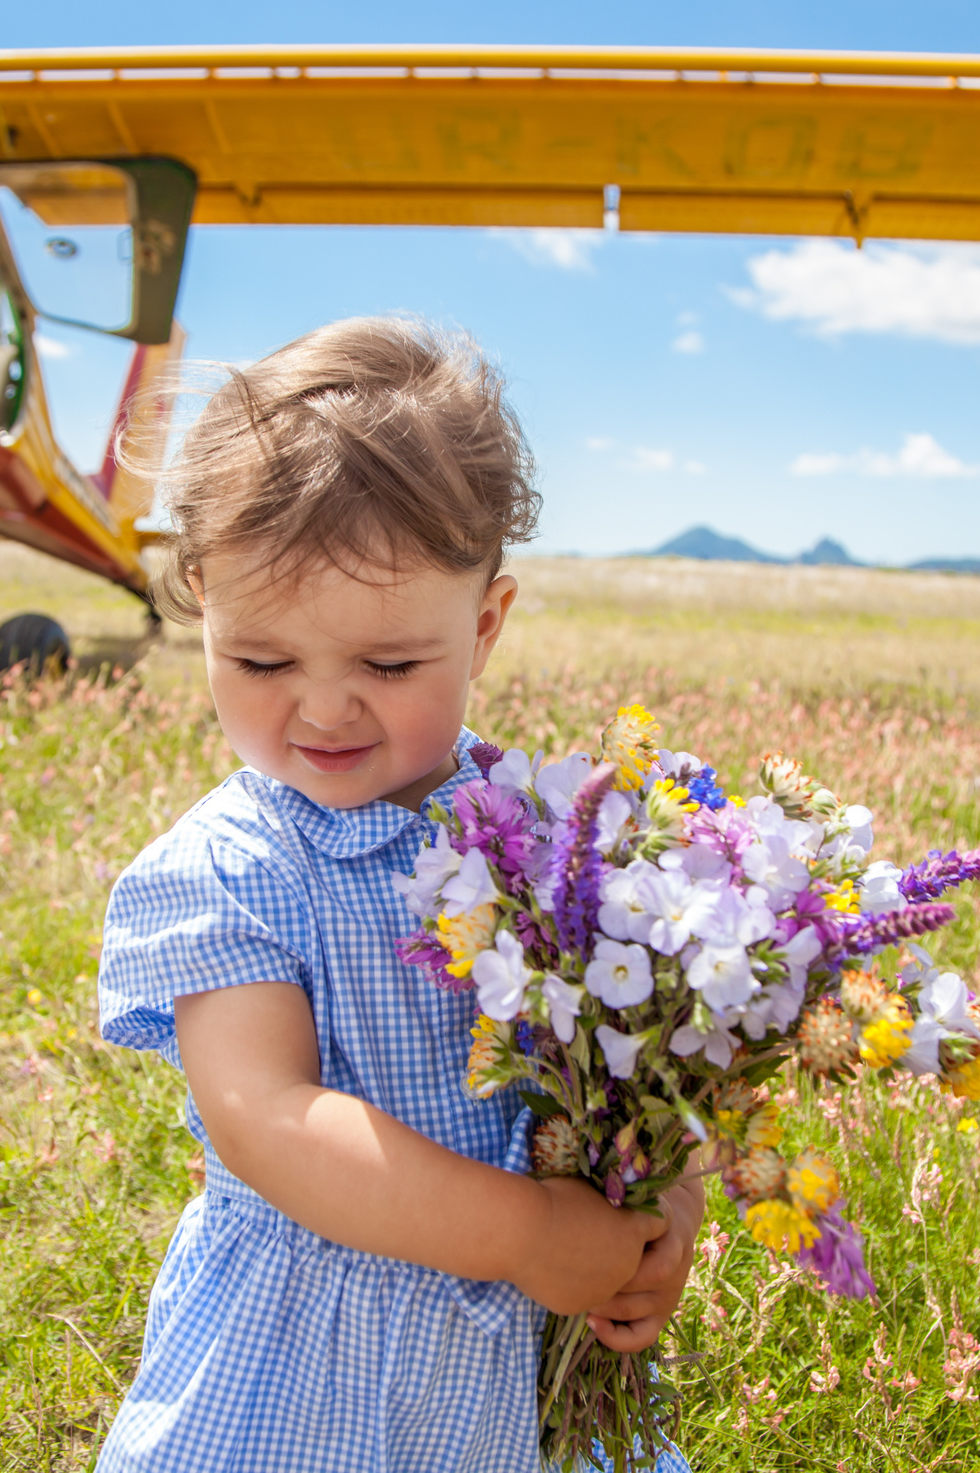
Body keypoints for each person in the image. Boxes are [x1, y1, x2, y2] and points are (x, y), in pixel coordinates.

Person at [95, 317, 701, 1471]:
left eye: (386, 665)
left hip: (526, 1354)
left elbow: (648, 1057)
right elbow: (270, 1121)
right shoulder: (231, 868)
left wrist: (657, 1215)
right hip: (312, 1360)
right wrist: (524, 1233)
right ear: (201, 611)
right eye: (261, 662)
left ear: (484, 627)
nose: (323, 711)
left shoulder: (551, 835)